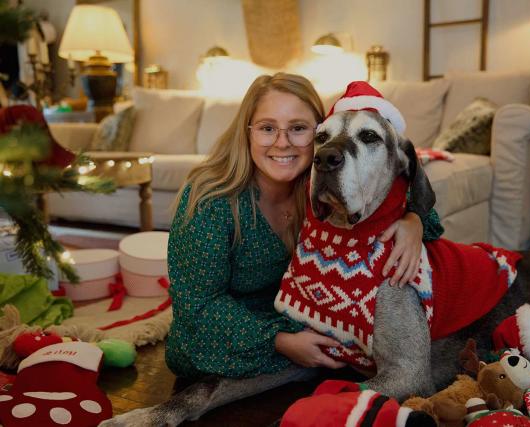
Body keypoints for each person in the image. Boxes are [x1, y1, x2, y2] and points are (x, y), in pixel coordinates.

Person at [166, 72, 443, 383]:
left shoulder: (318, 186)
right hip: (226, 339)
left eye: (298, 129)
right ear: (247, 133)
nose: (282, 143)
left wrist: (413, 220)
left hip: (307, 326)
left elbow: (402, 198)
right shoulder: (210, 201)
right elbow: (197, 308)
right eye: (267, 128)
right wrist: (280, 341)